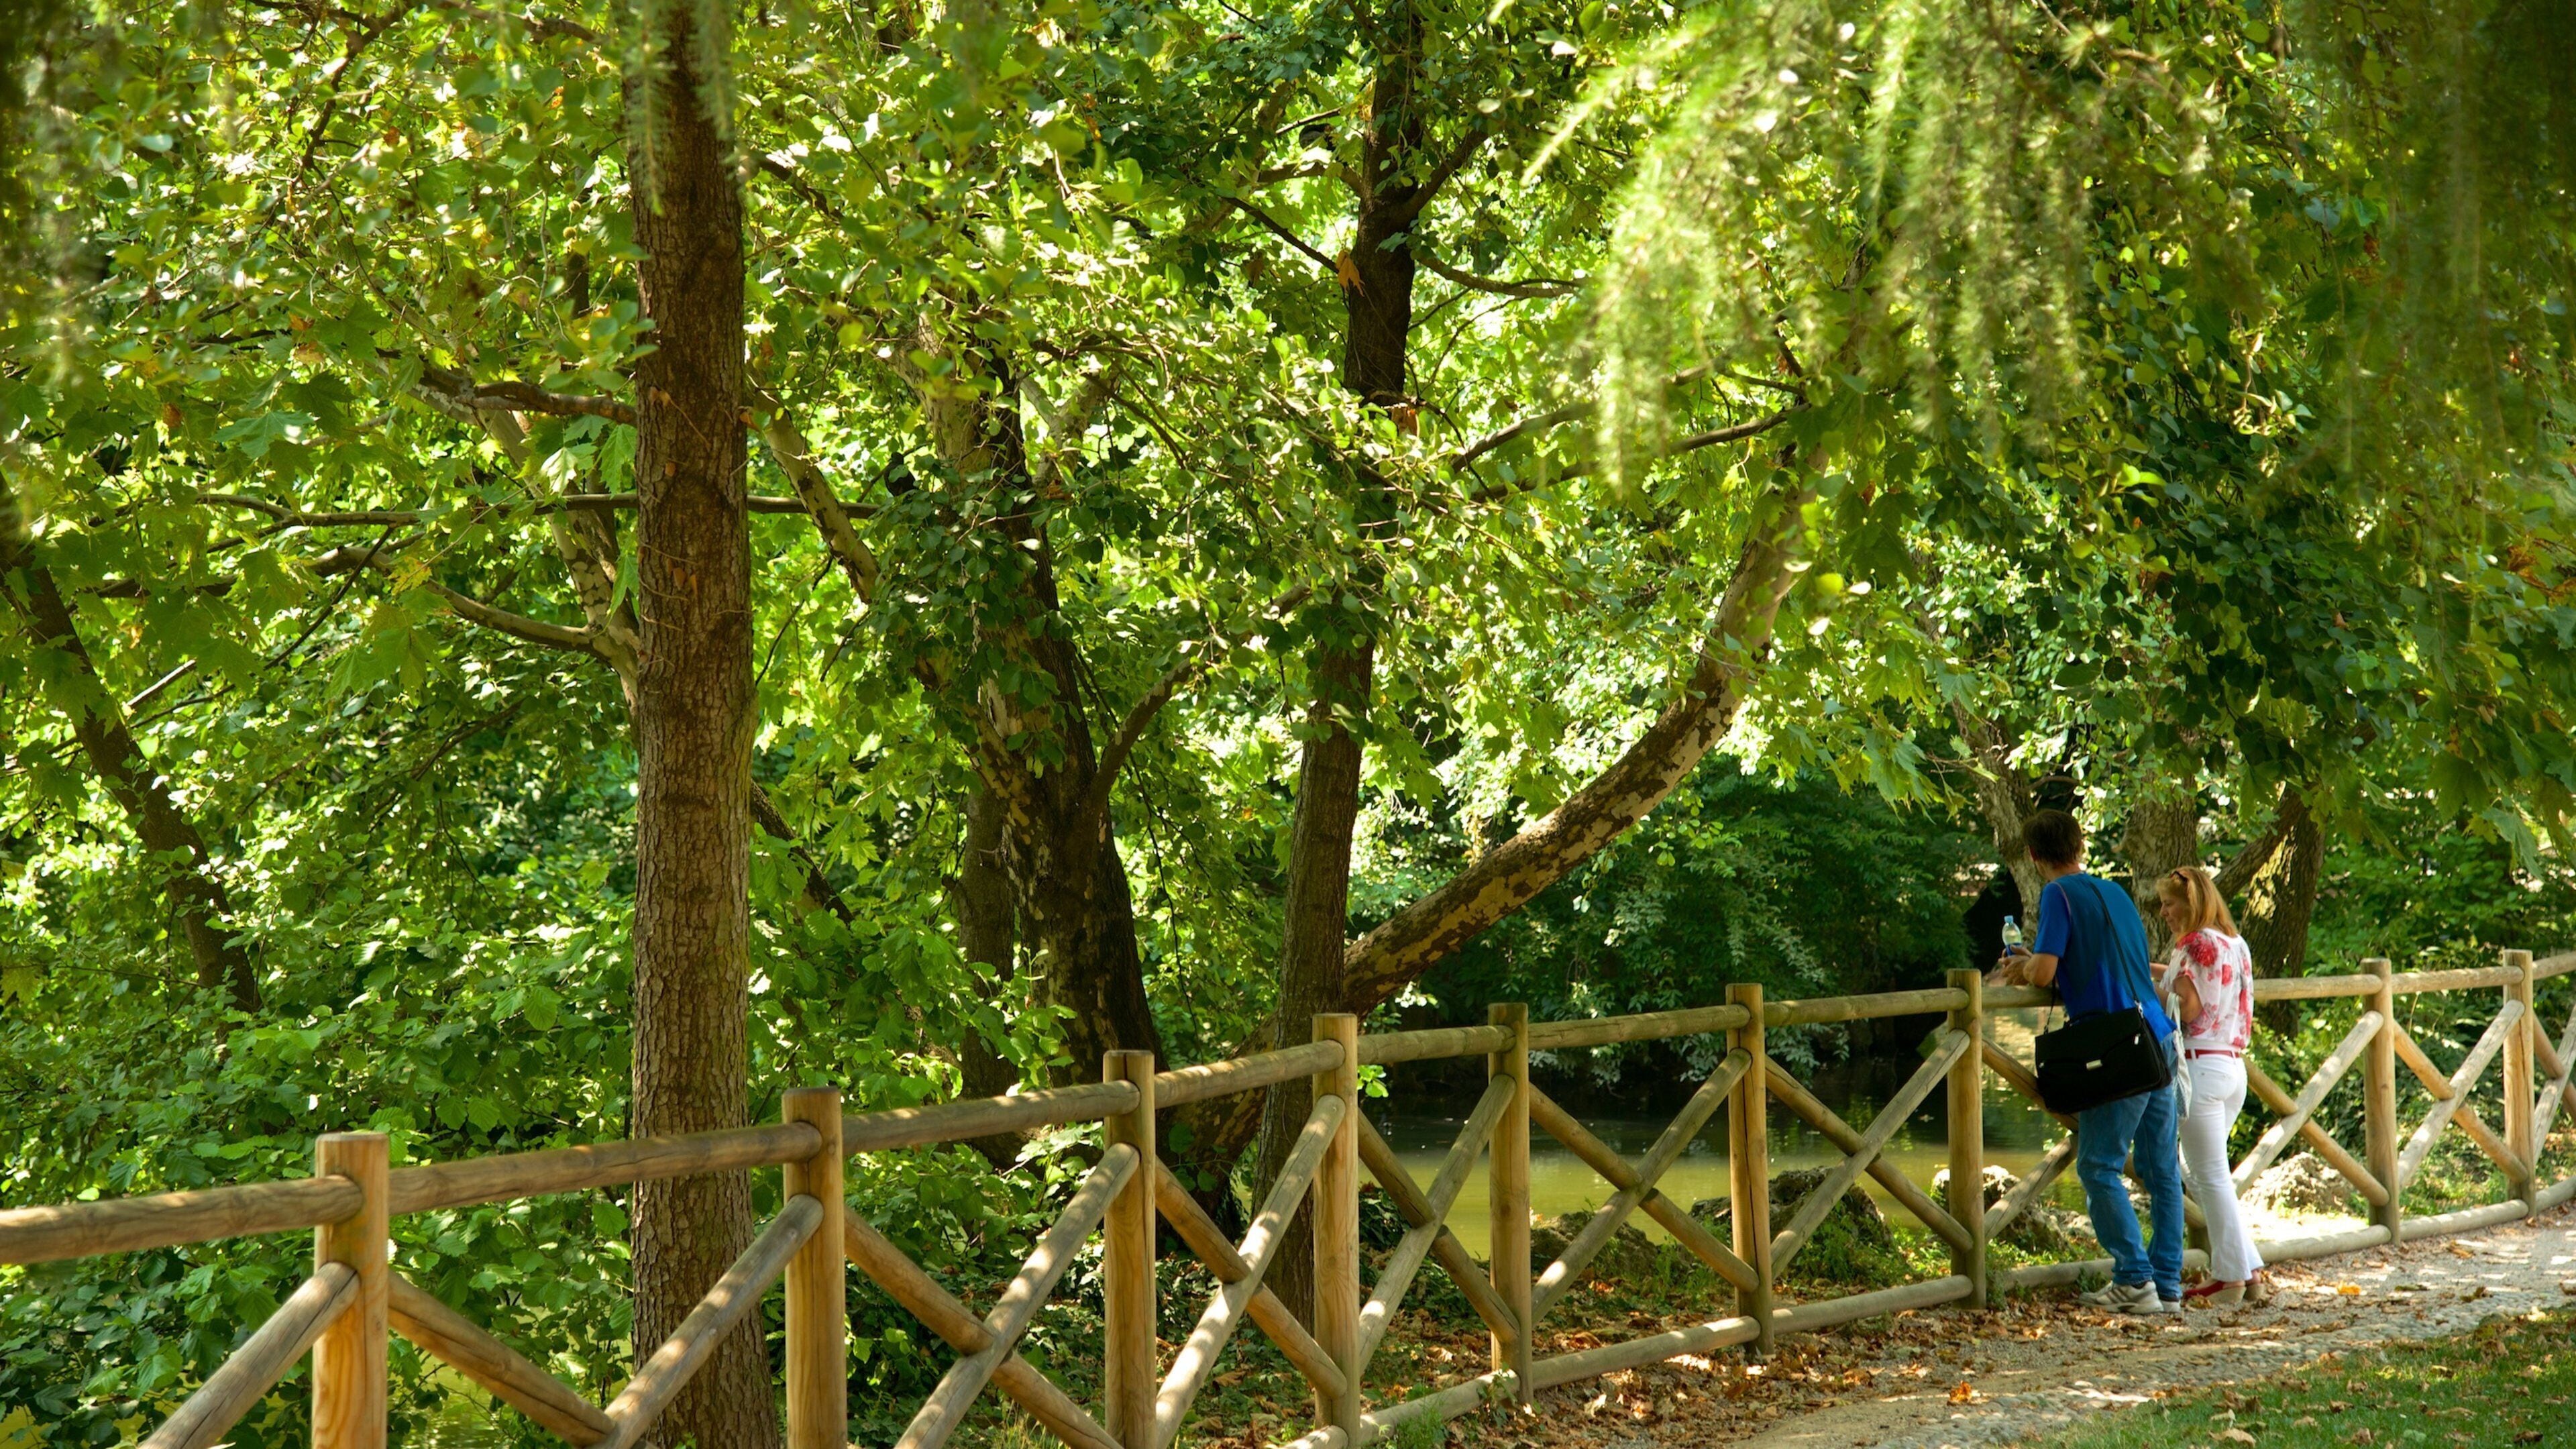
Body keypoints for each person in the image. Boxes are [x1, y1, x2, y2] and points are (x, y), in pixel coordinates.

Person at [1988, 809, 2187, 1313]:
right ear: (2080, 845)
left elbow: (2045, 971)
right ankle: (2168, 1284)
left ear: (2033, 857)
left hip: (2118, 1044)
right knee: (2161, 1169)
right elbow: (2113, 963)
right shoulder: (2116, 893)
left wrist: (2022, 964)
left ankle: (2134, 1279)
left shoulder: (2057, 895)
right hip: (2159, 1035)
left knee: (2098, 1166)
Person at [2156, 865, 2269, 1307]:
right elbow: (2199, 981)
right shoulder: (2232, 943)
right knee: (2202, 1173)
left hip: (2200, 1067)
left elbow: (2187, 1007)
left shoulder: (2194, 943)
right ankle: (2249, 1265)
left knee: (2207, 1174)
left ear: (2192, 904)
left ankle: (2230, 1278)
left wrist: (2149, 988)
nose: (2164, 912)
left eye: (2170, 904)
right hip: (2232, 1067)